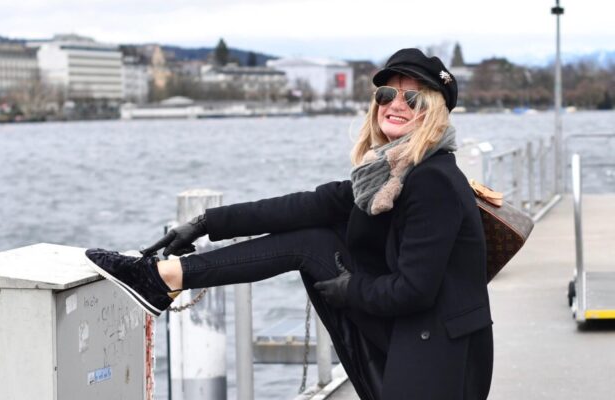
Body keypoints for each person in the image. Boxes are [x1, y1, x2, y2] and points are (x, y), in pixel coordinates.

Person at [86, 48, 493, 400]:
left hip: (442, 351)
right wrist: (206, 222)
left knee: (312, 244)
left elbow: (415, 290)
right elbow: (304, 206)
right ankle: (164, 277)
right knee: (312, 239)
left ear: (433, 112)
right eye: (387, 94)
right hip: (417, 334)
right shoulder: (387, 174)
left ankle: (163, 278)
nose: (395, 104)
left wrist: (351, 289)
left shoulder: (432, 180)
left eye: (412, 97)